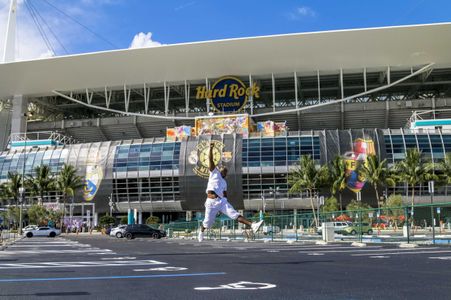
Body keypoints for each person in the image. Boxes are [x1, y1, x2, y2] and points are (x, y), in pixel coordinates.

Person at [198, 142, 263, 242]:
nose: (224, 170)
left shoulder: (224, 183)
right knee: (207, 223)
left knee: (234, 214)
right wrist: (211, 148)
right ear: (219, 170)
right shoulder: (214, 172)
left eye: (226, 170)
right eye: (223, 169)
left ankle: (253, 225)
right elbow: (210, 159)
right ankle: (201, 231)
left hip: (222, 202)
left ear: (226, 174)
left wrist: (223, 204)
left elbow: (225, 195)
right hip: (211, 202)